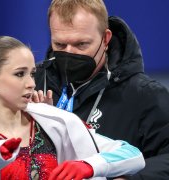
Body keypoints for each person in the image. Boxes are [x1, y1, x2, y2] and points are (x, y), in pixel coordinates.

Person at [0, 36, 145, 180]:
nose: (31, 83)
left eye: (32, 74)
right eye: (20, 74)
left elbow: (133, 155)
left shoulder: (54, 121)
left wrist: (89, 165)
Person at [34, 0, 169, 179]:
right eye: (59, 45)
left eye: (81, 44)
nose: (70, 53)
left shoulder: (145, 95)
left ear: (105, 39)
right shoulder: (32, 81)